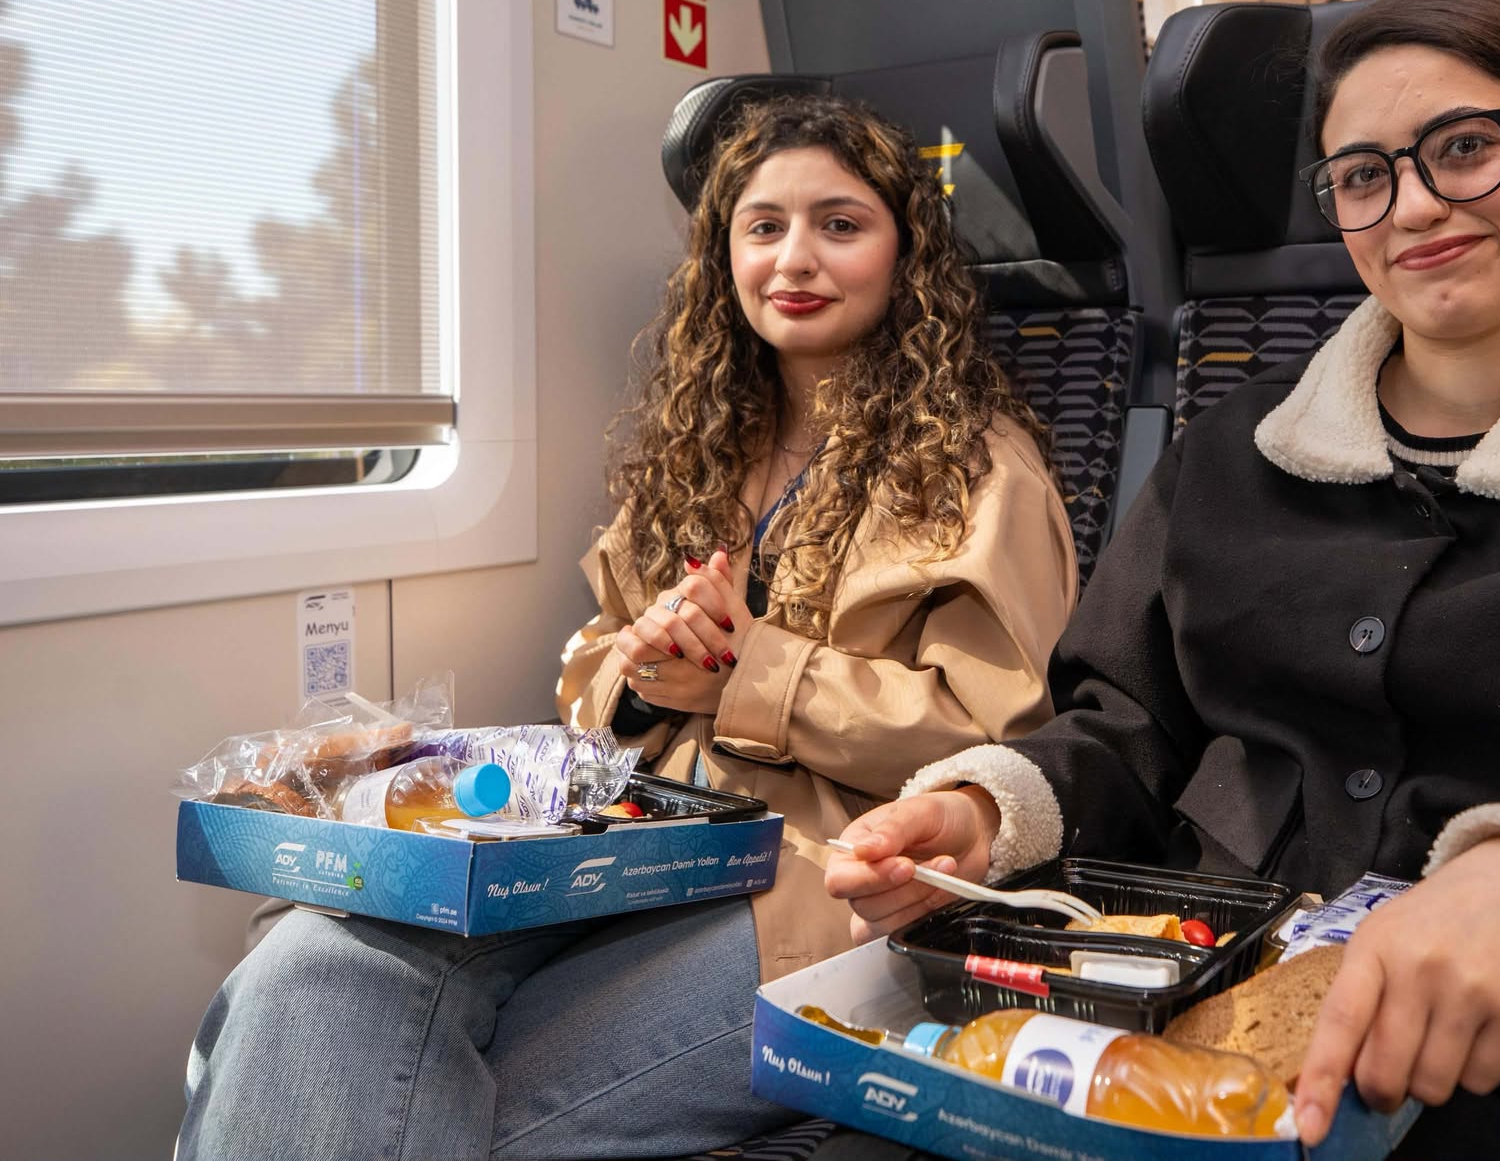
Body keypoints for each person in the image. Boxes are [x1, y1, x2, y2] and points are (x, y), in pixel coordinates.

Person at [827, 0, 1500, 1160]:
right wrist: (985, 811)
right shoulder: (1226, 456)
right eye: (1362, 175)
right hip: (1176, 1014)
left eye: (1464, 147)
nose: (1415, 205)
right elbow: (1123, 722)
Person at [180, 95, 1079, 1160]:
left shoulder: (978, 468)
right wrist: (644, 672)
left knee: (408, 1103)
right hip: (631, 842)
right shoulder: (702, 444)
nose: (795, 257)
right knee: (301, 970)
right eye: (763, 226)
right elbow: (589, 670)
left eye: (840, 224)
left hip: (818, 884)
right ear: (725, 255)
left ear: (904, 255)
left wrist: (752, 675)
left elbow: (1001, 745)